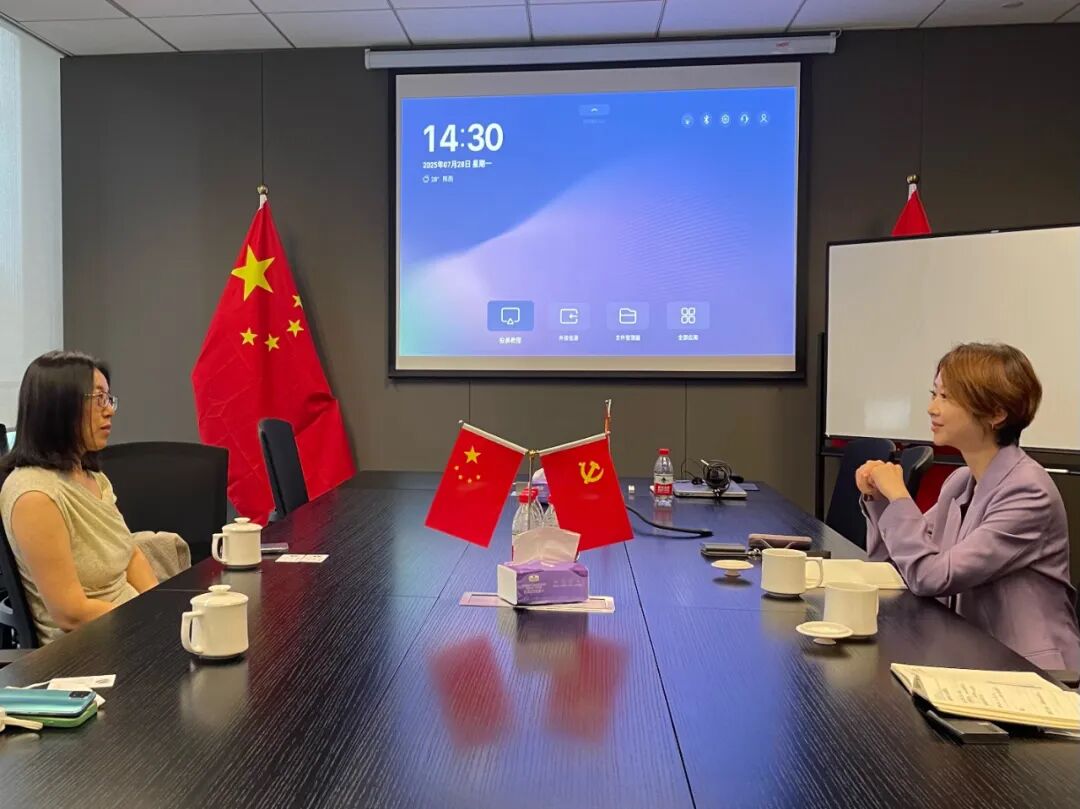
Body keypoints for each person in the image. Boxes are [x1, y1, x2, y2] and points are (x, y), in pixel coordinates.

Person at [858, 343, 1080, 671]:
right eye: (934, 394)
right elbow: (898, 565)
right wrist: (879, 500)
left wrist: (900, 498)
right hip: (971, 653)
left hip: (1031, 671)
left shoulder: (1028, 491)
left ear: (996, 414)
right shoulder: (961, 481)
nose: (932, 408)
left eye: (946, 397)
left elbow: (929, 577)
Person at [0, 351, 158, 643]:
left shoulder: (92, 476)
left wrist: (162, 608)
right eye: (98, 399)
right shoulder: (34, 495)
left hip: (131, 626)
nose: (109, 410)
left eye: (108, 399)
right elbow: (71, 614)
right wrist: (149, 623)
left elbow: (130, 554)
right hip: (87, 648)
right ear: (59, 406)